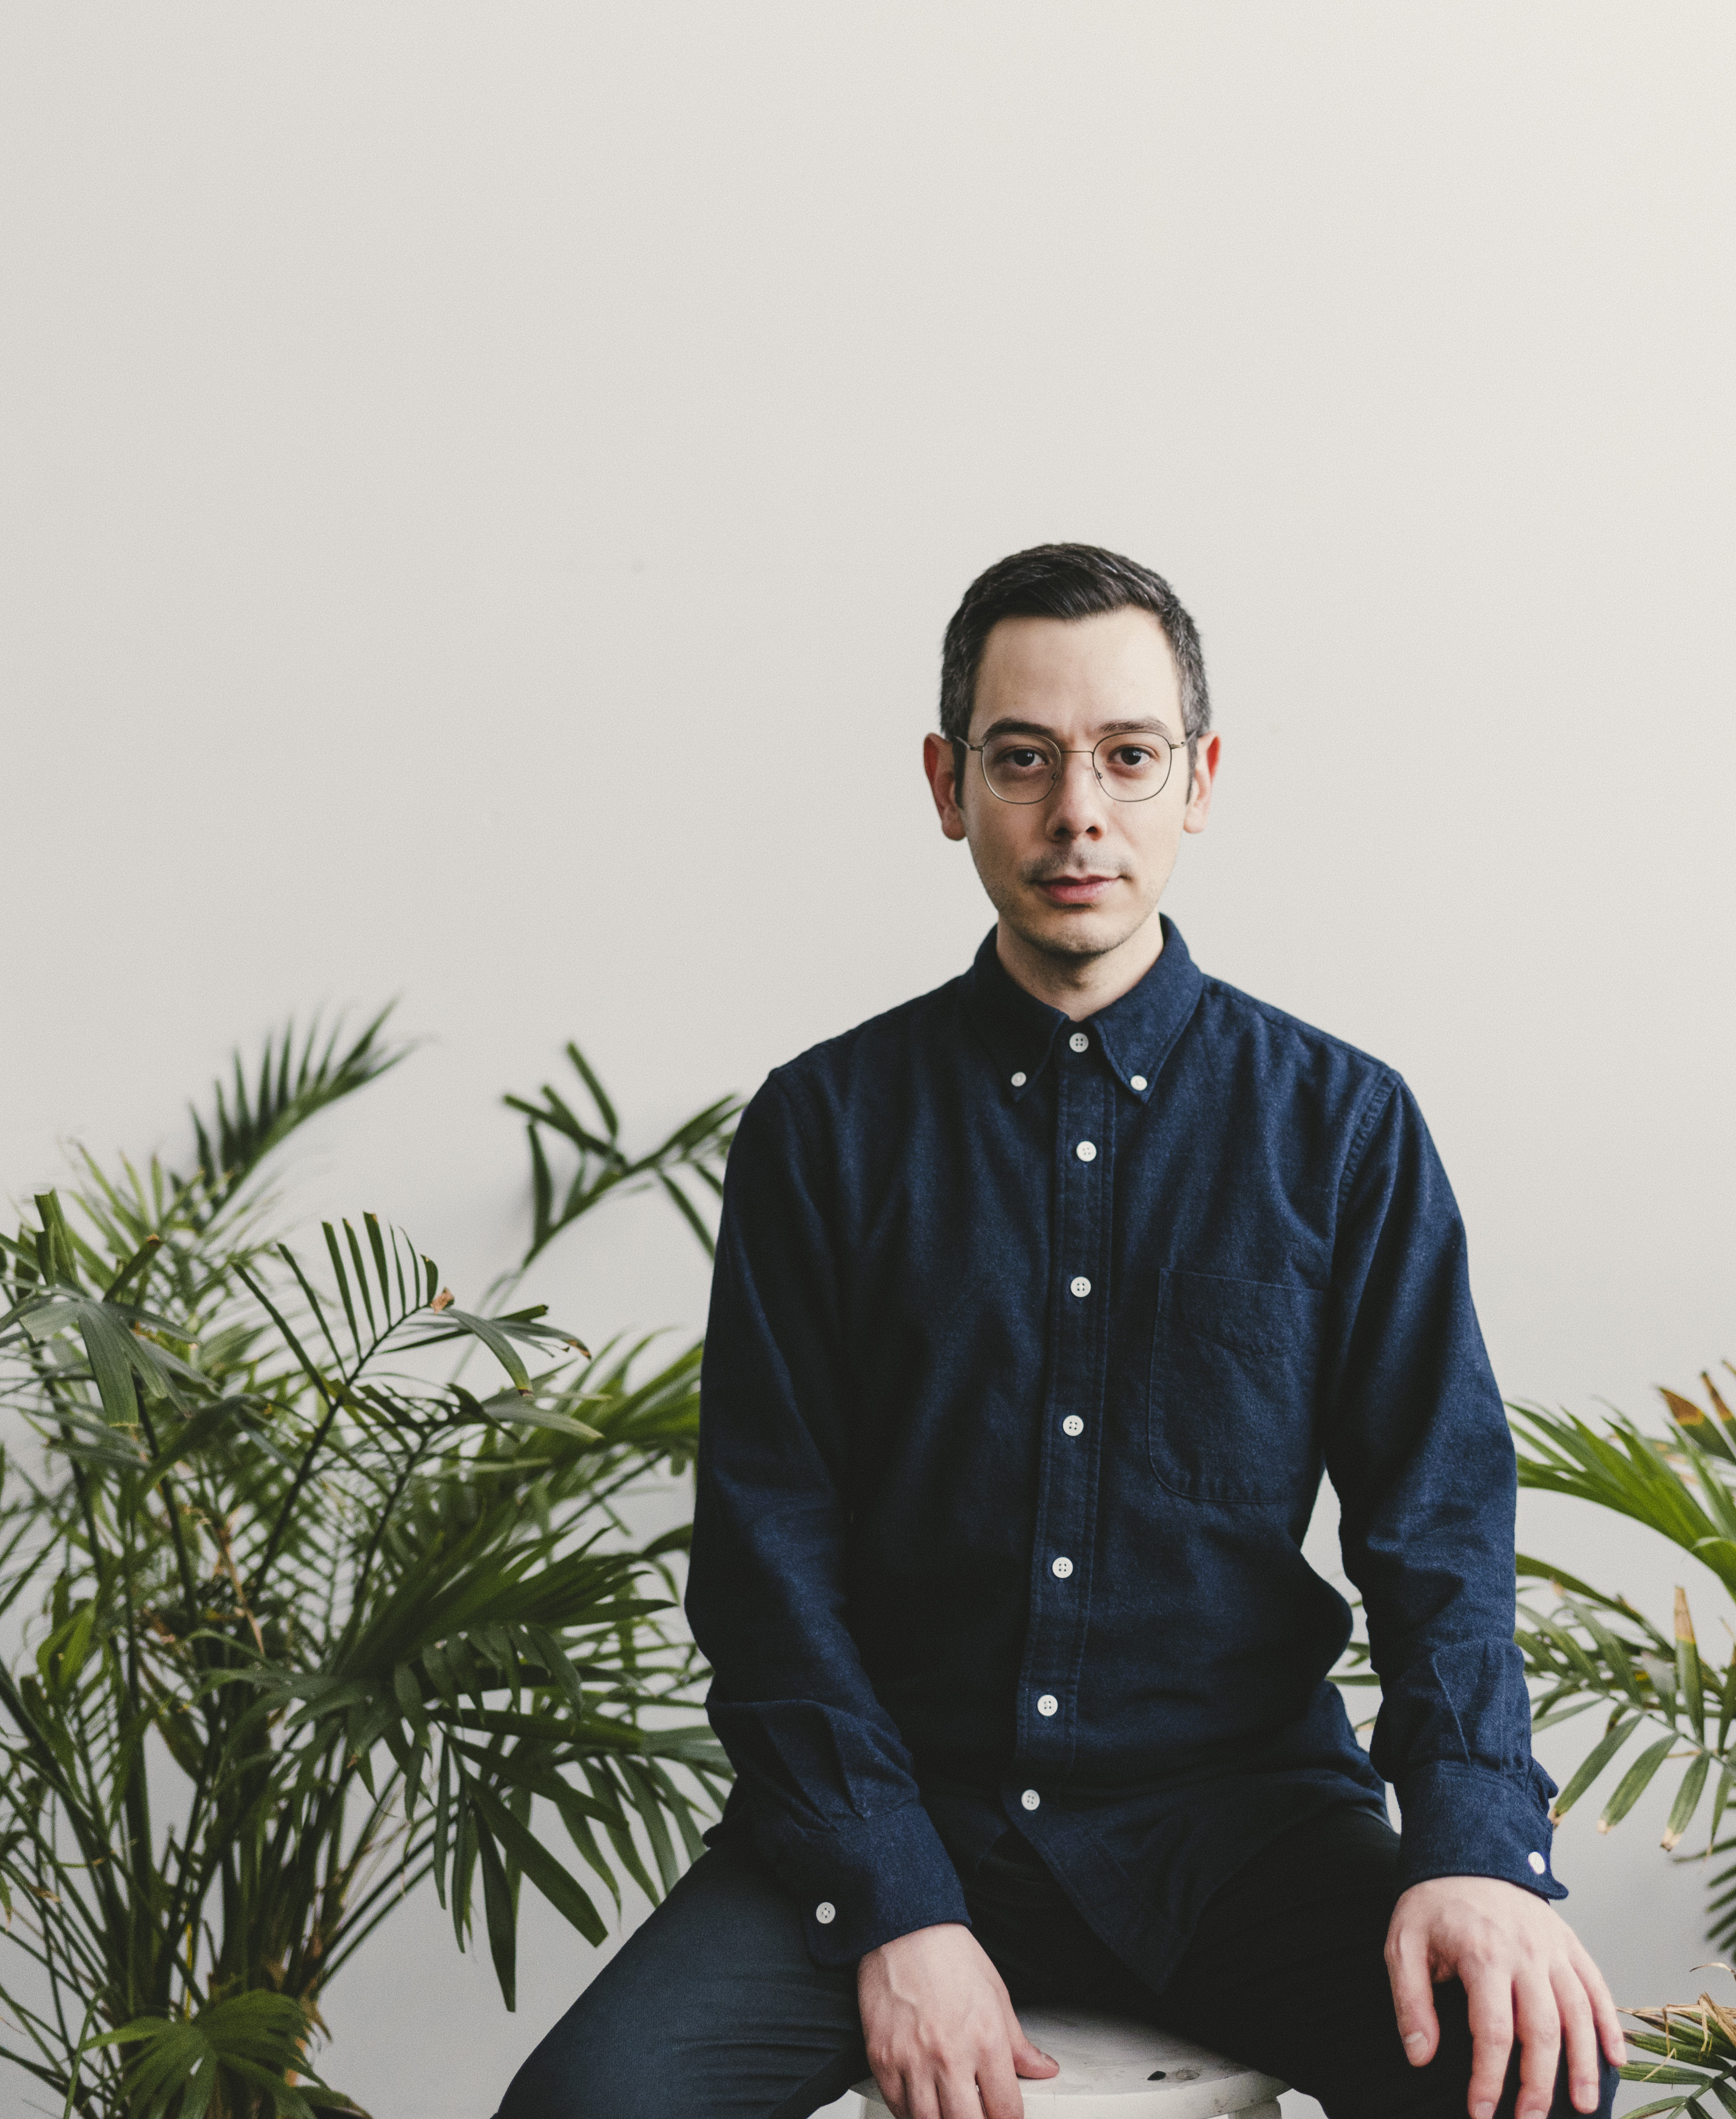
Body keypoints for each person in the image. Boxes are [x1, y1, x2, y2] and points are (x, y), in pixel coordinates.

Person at [495, 545, 1625, 2119]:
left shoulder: (1341, 1127)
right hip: (899, 1802)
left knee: (1533, 2094)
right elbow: (768, 1564)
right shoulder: (825, 1130)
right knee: (585, 2116)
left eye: (1127, 757)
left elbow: (1439, 1526)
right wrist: (899, 1902)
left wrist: (1474, 1844)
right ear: (950, 785)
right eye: (1023, 760)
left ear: (1200, 780)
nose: (1077, 812)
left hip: (1237, 1825)